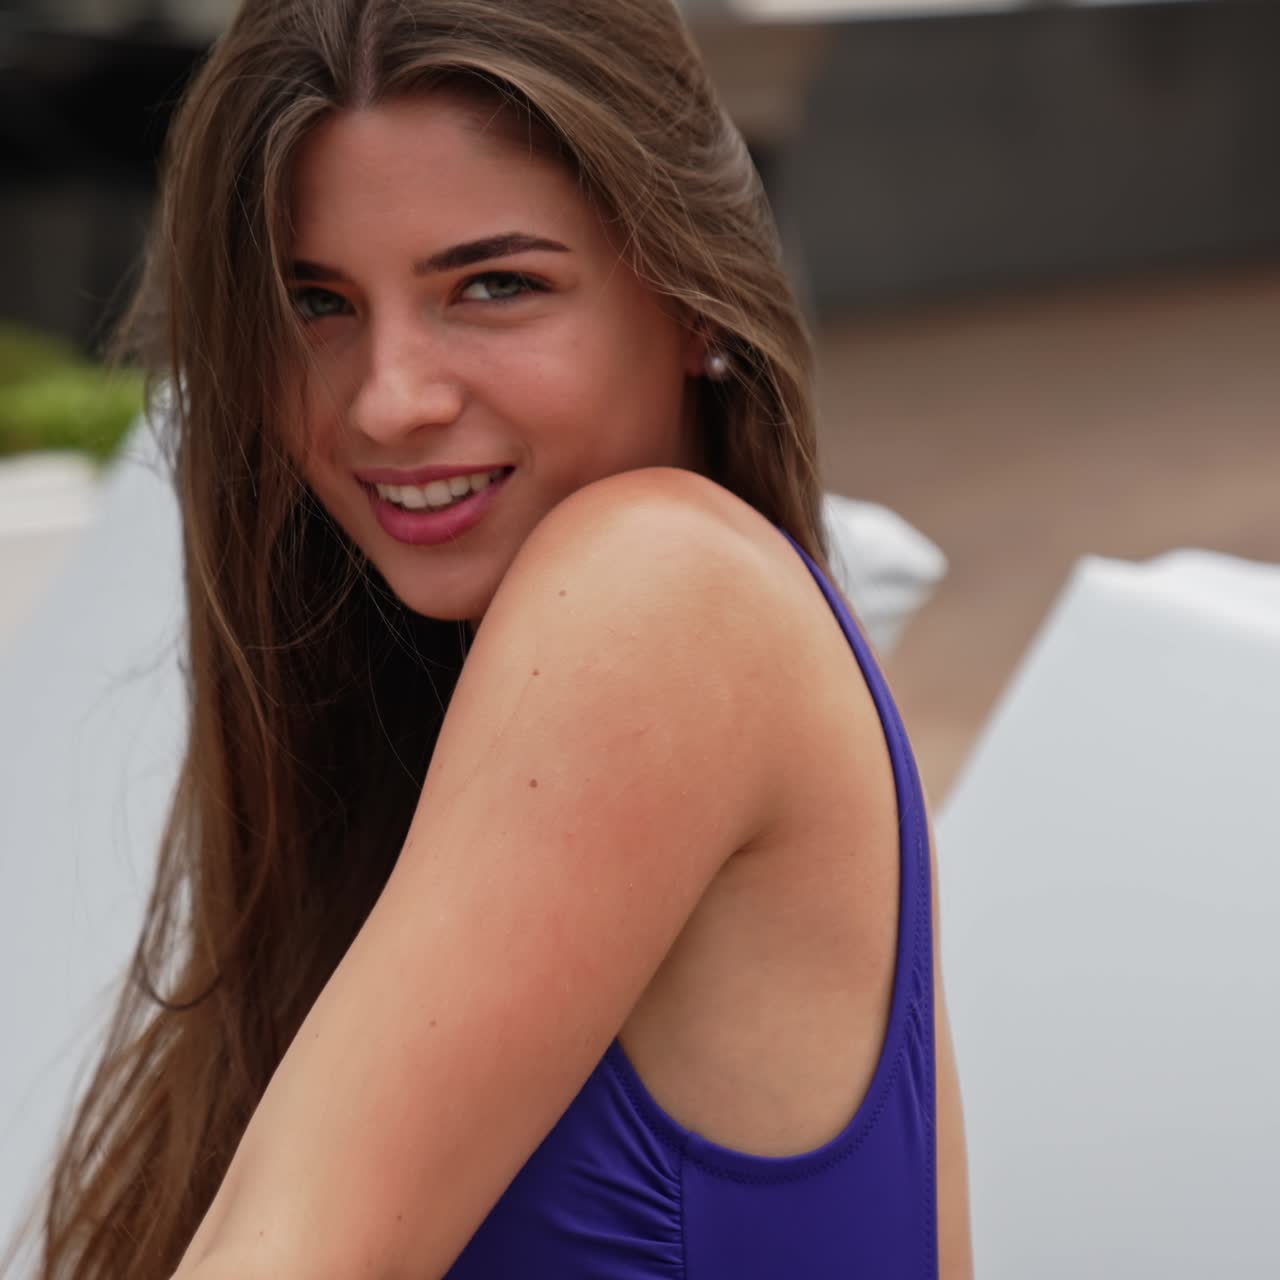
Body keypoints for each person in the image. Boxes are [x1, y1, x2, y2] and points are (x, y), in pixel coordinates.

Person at [31, 1, 972, 1276]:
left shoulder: (656, 587)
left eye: (492, 284)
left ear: (695, 297)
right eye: (316, 303)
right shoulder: (513, 669)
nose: (387, 398)